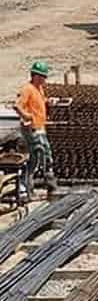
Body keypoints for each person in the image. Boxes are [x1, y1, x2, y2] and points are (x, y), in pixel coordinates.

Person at [14, 61, 54, 202]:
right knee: (36, 157)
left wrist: (48, 101)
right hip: (32, 130)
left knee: (43, 156)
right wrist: (26, 116)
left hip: (40, 128)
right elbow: (17, 106)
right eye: (43, 76)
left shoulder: (38, 88)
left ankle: (37, 187)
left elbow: (40, 101)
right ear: (36, 76)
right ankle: (26, 190)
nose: (45, 79)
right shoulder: (27, 89)